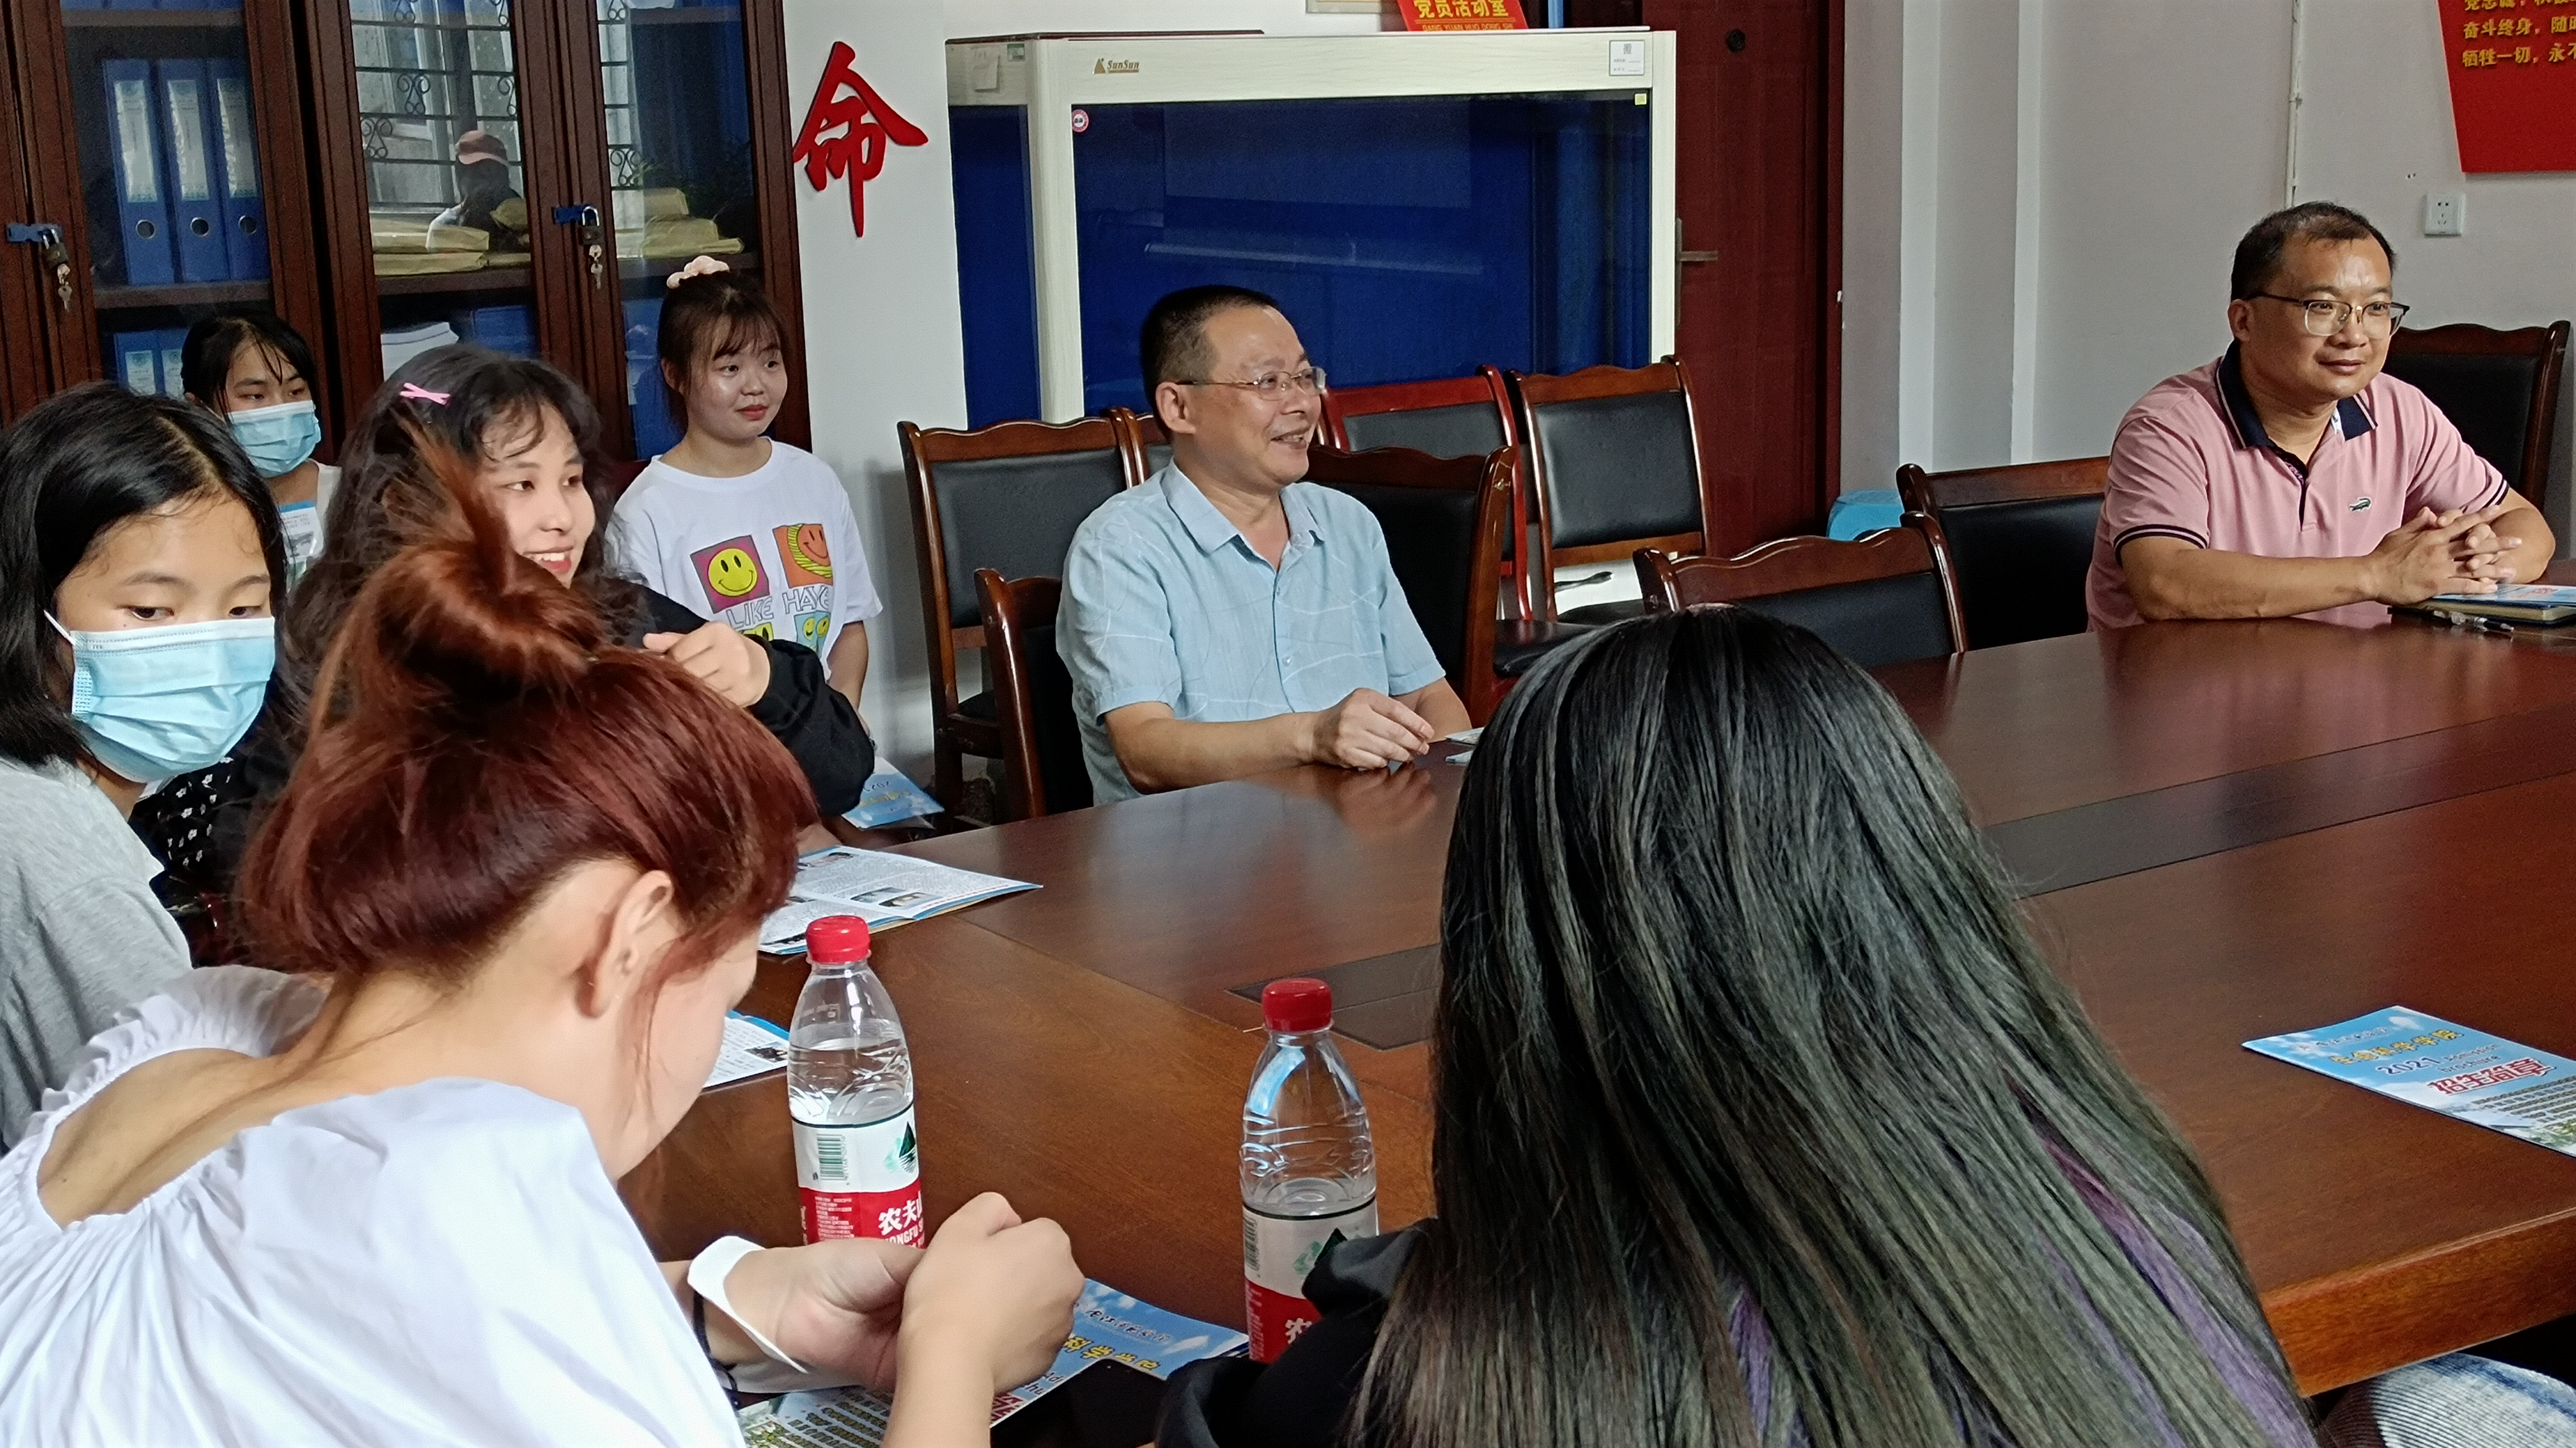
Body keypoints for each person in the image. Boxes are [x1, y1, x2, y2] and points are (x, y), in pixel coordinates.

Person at [0, 502, 1083, 1444]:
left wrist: (725, 1301)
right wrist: (952, 1350)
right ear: (631, 934)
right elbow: (419, 1271)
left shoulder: (196, 1030)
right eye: (723, 992)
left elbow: (339, 1328)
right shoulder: (455, 1187)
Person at [0, 384, 282, 1147]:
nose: (208, 650)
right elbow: (185, 1155)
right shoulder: (72, 875)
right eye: (152, 612)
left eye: (243, 609)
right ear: (28, 608)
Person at [1060, 286, 1470, 803]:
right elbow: (1145, 750)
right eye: (1268, 382)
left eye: (1304, 377)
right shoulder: (1121, 546)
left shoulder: (1347, 524)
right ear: (1179, 407)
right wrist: (1312, 736)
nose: (1302, 403)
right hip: (1198, 844)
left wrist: (1449, 804)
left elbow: (1428, 696)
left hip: (1364, 829)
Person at [2087, 202, 2557, 629]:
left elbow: (2525, 525)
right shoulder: (2169, 426)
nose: (2355, 335)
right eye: (2323, 308)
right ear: (2244, 321)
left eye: (2376, 309)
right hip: (2179, 686)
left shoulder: (2398, 410)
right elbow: (2165, 583)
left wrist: (2479, 564)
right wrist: (2376, 575)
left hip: (2344, 680)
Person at [611, 257, 881, 715]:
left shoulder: (815, 481)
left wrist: (842, 726)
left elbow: (849, 627)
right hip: (720, 745)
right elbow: (646, 675)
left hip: (825, 739)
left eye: (771, 362)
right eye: (730, 368)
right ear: (675, 375)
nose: (756, 386)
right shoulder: (645, 512)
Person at [180, 312, 336, 590]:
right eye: (256, 396)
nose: (281, 408)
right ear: (198, 409)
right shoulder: (181, 512)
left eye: (296, 391)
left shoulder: (354, 493)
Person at [431, 127, 530, 255]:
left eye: (490, 172)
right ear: (460, 177)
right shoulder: (445, 227)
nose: (485, 184)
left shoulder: (529, 218)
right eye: (476, 173)